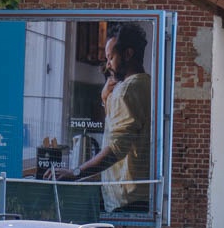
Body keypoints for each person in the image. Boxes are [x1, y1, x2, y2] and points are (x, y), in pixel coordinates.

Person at [54, 23, 153, 212]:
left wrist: (76, 172)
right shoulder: (148, 85)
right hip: (141, 195)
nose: (108, 65)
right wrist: (106, 99)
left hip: (125, 200)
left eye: (110, 57)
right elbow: (123, 132)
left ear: (128, 54)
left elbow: (115, 149)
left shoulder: (125, 91)